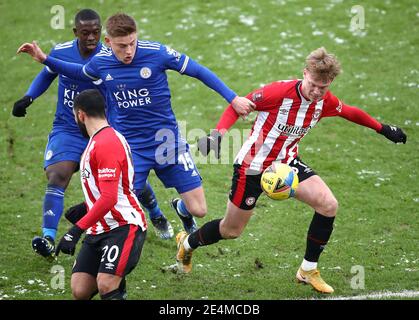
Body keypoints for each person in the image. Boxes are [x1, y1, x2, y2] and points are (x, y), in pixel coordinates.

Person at [175, 47, 407, 294]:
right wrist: (217, 135)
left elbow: (349, 111)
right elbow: (238, 106)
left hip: (287, 165)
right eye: (314, 84)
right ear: (304, 73)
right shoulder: (278, 92)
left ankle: (307, 270)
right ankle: (186, 243)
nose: (317, 92)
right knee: (231, 231)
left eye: (324, 87)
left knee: (328, 205)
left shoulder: (324, 101)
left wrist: (382, 128)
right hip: (252, 168)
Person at [17, 13, 255, 237]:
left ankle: (180, 208)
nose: (129, 50)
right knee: (115, 204)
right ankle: (89, 239)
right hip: (131, 148)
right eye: (122, 46)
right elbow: (78, 72)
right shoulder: (101, 63)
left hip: (167, 142)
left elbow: (199, 71)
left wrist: (233, 98)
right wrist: (45, 59)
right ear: (109, 42)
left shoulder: (157, 53)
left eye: (132, 43)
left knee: (199, 210)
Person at [13, 10, 170, 259]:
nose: (91, 37)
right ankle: (48, 238)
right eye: (85, 32)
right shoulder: (61, 52)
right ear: (75, 32)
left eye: (96, 32)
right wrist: (28, 97)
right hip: (68, 127)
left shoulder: (111, 56)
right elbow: (46, 75)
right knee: (57, 175)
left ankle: (156, 213)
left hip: (103, 129)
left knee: (126, 180)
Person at [55, 89, 147, 300]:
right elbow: (112, 189)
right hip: (99, 228)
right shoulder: (97, 141)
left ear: (80, 115)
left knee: (105, 283)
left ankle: (116, 282)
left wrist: (76, 230)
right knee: (80, 290)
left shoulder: (106, 143)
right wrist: (87, 205)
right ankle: (117, 280)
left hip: (123, 226)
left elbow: (110, 198)